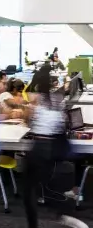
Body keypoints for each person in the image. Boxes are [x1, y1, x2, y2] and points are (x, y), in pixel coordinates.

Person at [23, 64, 88, 228]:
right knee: (48, 184)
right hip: (53, 147)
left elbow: (30, 122)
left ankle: (35, 224)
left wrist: (27, 114)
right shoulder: (57, 100)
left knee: (29, 189)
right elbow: (61, 123)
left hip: (39, 146)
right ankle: (64, 213)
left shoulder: (37, 101)